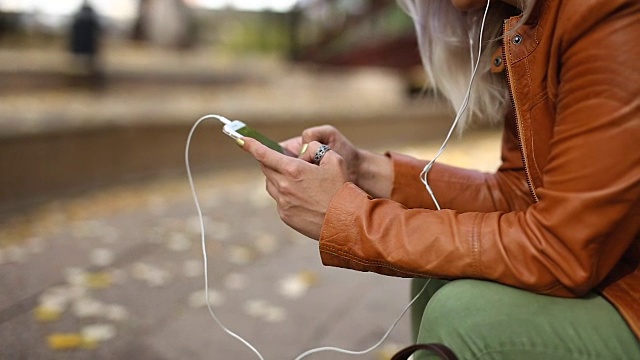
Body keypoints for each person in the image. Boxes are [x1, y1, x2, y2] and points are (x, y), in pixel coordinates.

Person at [238, 0, 640, 358]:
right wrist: (365, 169)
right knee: (436, 271)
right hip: (613, 264)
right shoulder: (527, 22)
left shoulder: (608, 14)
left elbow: (562, 249)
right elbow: (521, 192)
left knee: (465, 317)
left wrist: (350, 220)